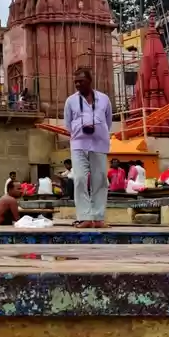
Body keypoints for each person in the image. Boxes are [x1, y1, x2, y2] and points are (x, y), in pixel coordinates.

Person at [64, 68, 113, 228]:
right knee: (79, 179)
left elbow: (108, 120)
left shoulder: (104, 99)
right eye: (75, 81)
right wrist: (79, 133)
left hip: (99, 144)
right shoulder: (70, 101)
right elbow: (68, 124)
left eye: (81, 81)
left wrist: (99, 131)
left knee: (100, 180)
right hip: (78, 144)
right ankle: (85, 217)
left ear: (90, 81)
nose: (77, 84)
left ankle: (98, 218)